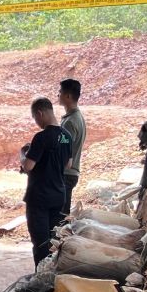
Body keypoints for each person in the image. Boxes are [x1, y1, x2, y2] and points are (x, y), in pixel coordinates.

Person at [21, 98, 72, 268]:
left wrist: (23, 155)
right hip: (58, 195)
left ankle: (41, 278)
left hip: (40, 197)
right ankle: (52, 276)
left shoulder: (41, 137)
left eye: (35, 118)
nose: (36, 122)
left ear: (39, 113)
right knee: (53, 240)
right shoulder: (66, 136)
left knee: (41, 243)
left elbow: (28, 166)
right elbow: (68, 164)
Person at [58, 79, 86, 217]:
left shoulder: (70, 122)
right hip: (69, 173)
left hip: (66, 174)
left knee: (60, 217)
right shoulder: (76, 117)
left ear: (68, 96)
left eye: (60, 92)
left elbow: (63, 152)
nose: (58, 95)